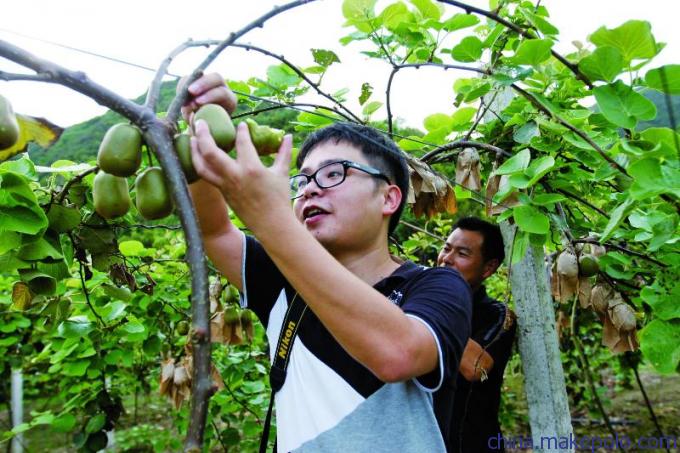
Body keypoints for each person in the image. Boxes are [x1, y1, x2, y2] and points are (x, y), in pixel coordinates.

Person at [182, 73, 472, 452]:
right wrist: (200, 125)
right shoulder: (282, 280)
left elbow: (399, 353)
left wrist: (270, 218)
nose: (311, 189)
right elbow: (215, 231)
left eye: (333, 173)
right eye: (301, 182)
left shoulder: (437, 286)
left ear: (389, 199)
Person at [434, 217, 517, 453]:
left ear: (488, 268)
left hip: (472, 444)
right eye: (446, 248)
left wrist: (436, 307)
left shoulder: (498, 315)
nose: (446, 259)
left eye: (462, 254)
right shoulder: (421, 298)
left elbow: (476, 367)